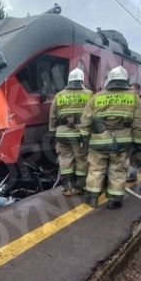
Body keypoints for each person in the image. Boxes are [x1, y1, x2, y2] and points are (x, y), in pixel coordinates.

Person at [80, 65, 141, 209]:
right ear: (126, 80)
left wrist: (85, 140)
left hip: (98, 143)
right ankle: (114, 200)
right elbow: (140, 124)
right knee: (117, 171)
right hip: (121, 144)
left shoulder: (97, 97)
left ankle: (92, 198)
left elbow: (86, 121)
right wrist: (139, 145)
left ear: (109, 80)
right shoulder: (134, 97)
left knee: (95, 170)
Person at [49, 67, 92, 195]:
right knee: (81, 159)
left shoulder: (60, 95)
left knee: (65, 159)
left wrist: (52, 132)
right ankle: (79, 187)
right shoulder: (89, 94)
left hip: (62, 134)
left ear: (69, 80)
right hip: (80, 135)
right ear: (82, 80)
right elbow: (93, 115)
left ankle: (67, 188)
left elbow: (52, 115)